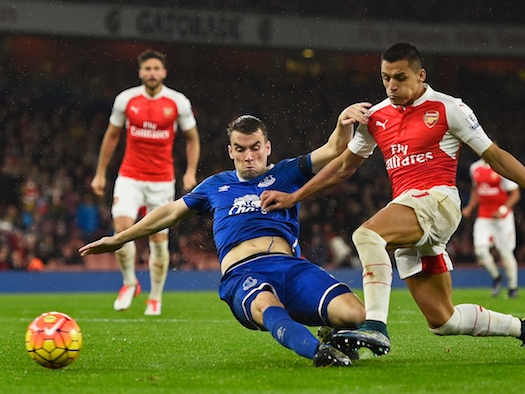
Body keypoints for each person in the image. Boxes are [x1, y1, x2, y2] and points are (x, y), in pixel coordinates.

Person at [260, 42, 525, 361]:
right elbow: (343, 166)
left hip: (438, 201)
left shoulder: (448, 108)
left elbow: (495, 156)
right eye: (385, 77)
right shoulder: (376, 117)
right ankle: (524, 328)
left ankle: (375, 325)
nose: (391, 85)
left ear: (420, 75)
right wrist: (295, 196)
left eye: (400, 77)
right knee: (443, 320)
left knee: (367, 235)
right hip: (411, 211)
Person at [80, 107, 371, 367]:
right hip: (242, 273)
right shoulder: (215, 186)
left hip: (290, 267)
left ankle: (334, 332)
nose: (248, 156)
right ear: (230, 151)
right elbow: (169, 212)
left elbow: (335, 148)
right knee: (265, 304)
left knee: (354, 313)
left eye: (255, 148)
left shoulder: (287, 172)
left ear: (267, 147)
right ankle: (317, 352)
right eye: (240, 149)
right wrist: (121, 238)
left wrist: (343, 122)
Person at [90, 49, 200, 316]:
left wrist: (190, 173)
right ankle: (129, 283)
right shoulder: (126, 99)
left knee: (159, 240)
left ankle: (155, 297)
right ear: (140, 72)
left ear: (164, 72)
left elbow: (193, 139)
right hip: (130, 176)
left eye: (156, 69)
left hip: (162, 181)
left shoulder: (177, 102)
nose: (152, 73)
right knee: (122, 230)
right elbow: (112, 136)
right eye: (147, 69)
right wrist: (101, 172)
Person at [461, 158, 521, 298]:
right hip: (484, 216)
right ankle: (497, 276)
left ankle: (513, 288)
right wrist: (470, 207)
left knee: (505, 253)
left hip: (503, 219)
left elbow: (515, 193)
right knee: (480, 251)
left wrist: (502, 209)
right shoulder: (475, 167)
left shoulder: (502, 166)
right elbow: (476, 189)